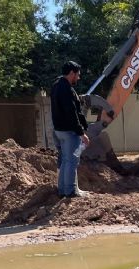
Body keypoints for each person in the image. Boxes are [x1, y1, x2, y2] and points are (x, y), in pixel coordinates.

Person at [51, 61, 89, 198]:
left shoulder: (56, 85)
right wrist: (81, 133)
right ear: (72, 73)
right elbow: (71, 112)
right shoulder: (66, 89)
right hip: (68, 131)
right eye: (77, 75)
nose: (78, 78)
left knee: (65, 160)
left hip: (58, 130)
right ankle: (71, 191)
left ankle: (63, 190)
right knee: (72, 160)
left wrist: (84, 125)